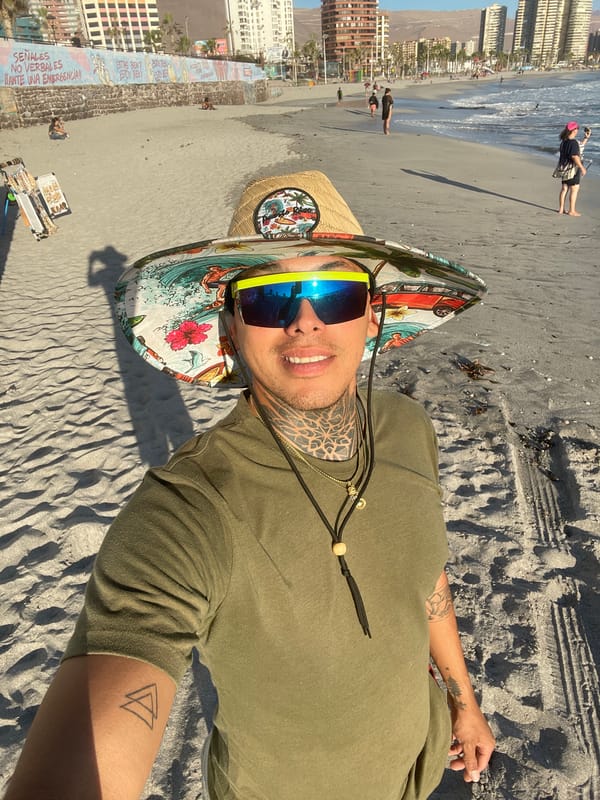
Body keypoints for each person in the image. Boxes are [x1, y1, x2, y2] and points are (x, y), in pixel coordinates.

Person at [3, 171, 495, 800]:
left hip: (422, 769)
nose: (306, 322)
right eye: (270, 301)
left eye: (335, 293)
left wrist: (462, 698)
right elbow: (111, 692)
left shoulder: (407, 427)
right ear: (232, 327)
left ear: (373, 316)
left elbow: (425, 577)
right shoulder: (188, 511)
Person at [557, 120, 590, 216]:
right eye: (577, 129)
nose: (577, 130)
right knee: (574, 188)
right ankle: (572, 210)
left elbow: (580, 147)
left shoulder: (564, 142)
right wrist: (582, 167)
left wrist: (586, 138)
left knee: (564, 188)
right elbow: (575, 156)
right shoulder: (573, 143)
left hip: (564, 167)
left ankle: (561, 209)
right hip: (573, 168)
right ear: (574, 130)